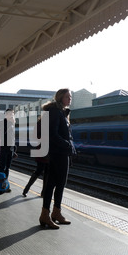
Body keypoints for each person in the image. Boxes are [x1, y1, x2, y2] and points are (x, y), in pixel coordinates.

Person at [39, 88, 76, 229]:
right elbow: (52, 134)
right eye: (67, 96)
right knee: (55, 184)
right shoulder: (55, 112)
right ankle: (47, 214)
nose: (70, 99)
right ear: (60, 97)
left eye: (70, 96)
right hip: (58, 153)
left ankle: (54, 213)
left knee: (57, 184)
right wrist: (66, 144)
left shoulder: (62, 112)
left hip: (61, 153)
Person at [22, 115, 47, 197]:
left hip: (44, 151)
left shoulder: (40, 124)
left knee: (42, 172)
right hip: (42, 151)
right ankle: (27, 189)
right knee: (40, 171)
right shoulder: (40, 125)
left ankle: (29, 189)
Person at [0, 108, 17, 192]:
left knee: (7, 168)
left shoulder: (12, 124)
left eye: (13, 113)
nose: (12, 115)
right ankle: (0, 185)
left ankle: (4, 185)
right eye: (10, 114)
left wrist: (14, 150)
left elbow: (12, 138)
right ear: (6, 115)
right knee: (2, 167)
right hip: (3, 149)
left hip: (10, 149)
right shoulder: (2, 123)